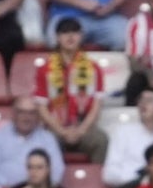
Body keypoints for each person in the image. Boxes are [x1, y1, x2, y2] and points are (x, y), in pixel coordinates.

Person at [35, 17, 110, 164]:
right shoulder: (45, 69)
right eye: (65, 33)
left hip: (83, 125)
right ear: (57, 38)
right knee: (45, 142)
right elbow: (41, 107)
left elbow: (97, 105)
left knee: (101, 140)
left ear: (81, 37)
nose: (70, 37)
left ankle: (95, 185)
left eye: (75, 33)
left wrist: (81, 130)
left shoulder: (93, 68)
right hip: (55, 126)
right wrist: (61, 131)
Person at [103, 88, 153, 187]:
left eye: (149, 100)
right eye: (141, 100)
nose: (143, 104)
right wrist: (140, 179)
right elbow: (109, 174)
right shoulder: (122, 132)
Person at [0, 97, 66, 188]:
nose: (27, 117)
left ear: (38, 116)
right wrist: (9, 187)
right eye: (22, 112)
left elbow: (57, 169)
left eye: (31, 113)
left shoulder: (47, 138)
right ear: (13, 114)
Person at [43, 0, 129, 50]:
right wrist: (80, 2)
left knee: (126, 37)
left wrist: (110, 7)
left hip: (106, 18)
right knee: (54, 39)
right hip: (68, 17)